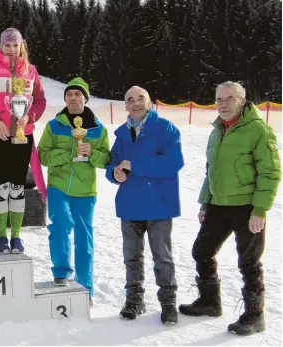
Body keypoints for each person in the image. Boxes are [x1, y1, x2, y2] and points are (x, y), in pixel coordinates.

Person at [178, 81, 281, 335]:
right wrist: (205, 202)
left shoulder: (258, 129)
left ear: (242, 100)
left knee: (248, 262)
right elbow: (211, 171)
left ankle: (254, 316)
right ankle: (210, 302)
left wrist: (260, 210)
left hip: (247, 207)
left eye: (229, 99)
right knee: (201, 251)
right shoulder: (217, 130)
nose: (223, 104)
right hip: (218, 205)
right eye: (219, 100)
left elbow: (270, 172)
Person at [105, 86, 184, 325]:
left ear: (150, 102)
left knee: (162, 257)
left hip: (158, 204)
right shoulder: (121, 133)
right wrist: (114, 174)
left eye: (141, 99)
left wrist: (134, 165)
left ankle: (168, 303)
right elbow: (114, 163)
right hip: (130, 203)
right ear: (125, 105)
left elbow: (173, 162)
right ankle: (134, 299)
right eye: (131, 99)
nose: (136, 103)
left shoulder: (165, 128)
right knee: (132, 257)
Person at [37, 77, 110, 305]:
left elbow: (106, 159)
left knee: (84, 238)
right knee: (60, 225)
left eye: (78, 94)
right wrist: (68, 154)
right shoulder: (54, 125)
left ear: (85, 99)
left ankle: (85, 288)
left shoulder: (98, 129)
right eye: (69, 94)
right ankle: (61, 272)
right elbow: (43, 155)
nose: (73, 98)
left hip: (85, 191)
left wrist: (92, 153)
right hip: (58, 186)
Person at [0, 27, 47, 254]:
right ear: (1, 46)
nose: (12, 50)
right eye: (7, 45)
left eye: (16, 45)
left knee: (17, 187)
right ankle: (1, 237)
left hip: (21, 136)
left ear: (22, 46)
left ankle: (16, 236)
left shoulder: (31, 70)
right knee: (0, 187)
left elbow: (41, 100)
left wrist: (30, 116)